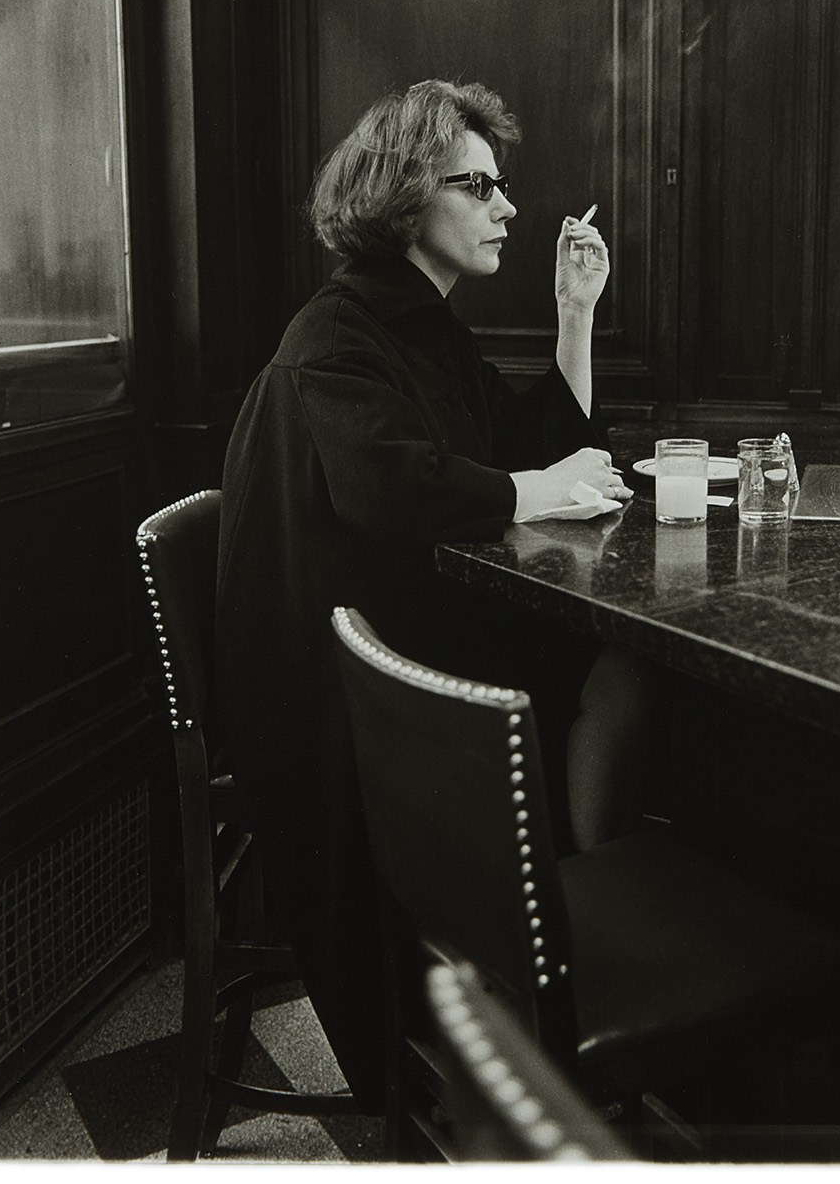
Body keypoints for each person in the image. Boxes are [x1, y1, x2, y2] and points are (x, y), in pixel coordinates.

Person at [213, 80, 636, 1113]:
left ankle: (561, 924)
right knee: (600, 672)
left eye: (502, 188)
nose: (507, 209)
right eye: (479, 187)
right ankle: (552, 954)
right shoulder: (338, 330)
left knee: (613, 671)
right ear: (407, 196)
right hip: (338, 687)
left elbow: (524, 444)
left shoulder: (423, 325)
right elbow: (389, 485)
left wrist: (572, 315)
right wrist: (537, 487)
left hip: (397, 640)